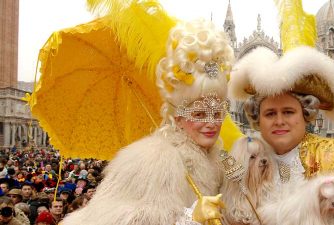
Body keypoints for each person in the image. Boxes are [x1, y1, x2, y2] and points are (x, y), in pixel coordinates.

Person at [61, 5, 234, 225]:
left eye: (217, 113)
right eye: (199, 113)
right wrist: (191, 218)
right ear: (178, 116)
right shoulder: (152, 159)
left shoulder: (221, 161)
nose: (211, 123)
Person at [228, 1, 334, 224]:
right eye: (269, 114)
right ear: (257, 119)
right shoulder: (244, 159)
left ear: (306, 114)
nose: (279, 121)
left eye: (288, 112)